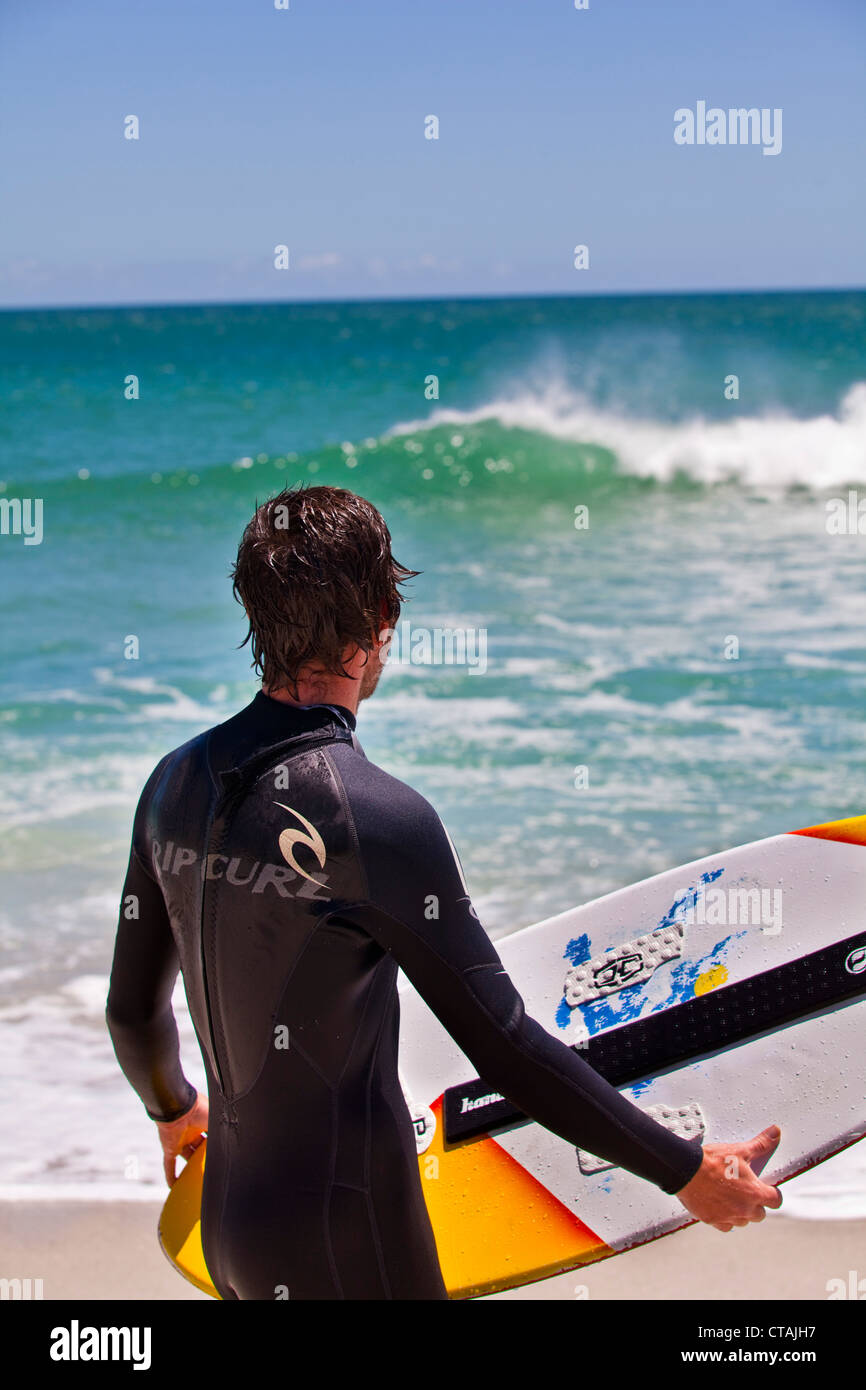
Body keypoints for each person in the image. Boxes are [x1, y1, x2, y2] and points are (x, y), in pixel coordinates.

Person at [106, 484, 782, 1300]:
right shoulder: (375, 819)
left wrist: (173, 1107)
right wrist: (686, 1172)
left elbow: (133, 1012)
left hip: (233, 1232)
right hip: (351, 1240)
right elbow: (503, 1045)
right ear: (380, 620)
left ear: (256, 613)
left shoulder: (171, 783)